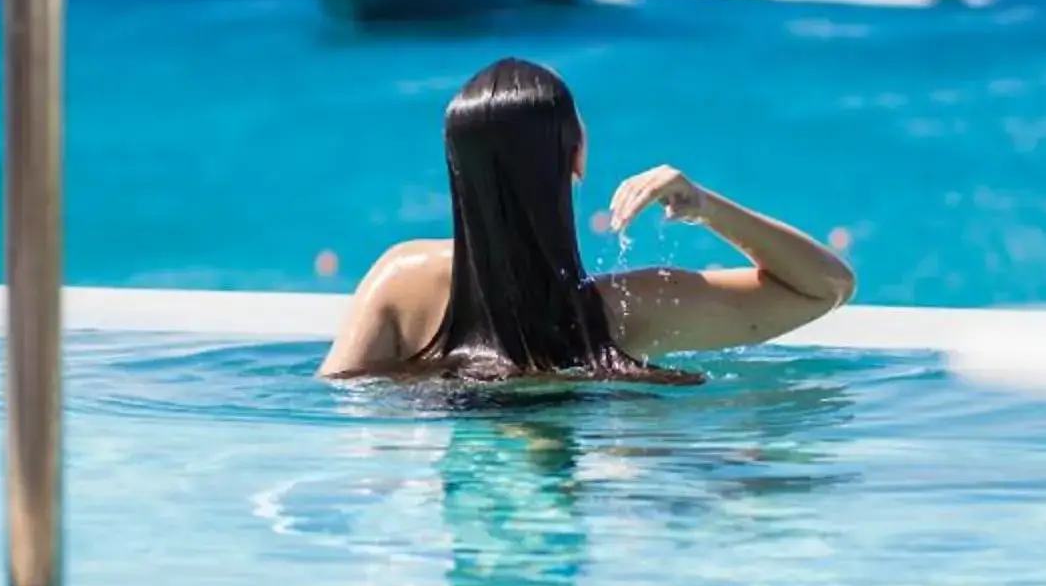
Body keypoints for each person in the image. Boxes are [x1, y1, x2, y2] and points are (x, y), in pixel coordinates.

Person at [320, 57, 856, 381]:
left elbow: (338, 407)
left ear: (457, 166)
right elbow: (826, 287)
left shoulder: (401, 278)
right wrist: (705, 207)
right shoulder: (622, 313)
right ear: (575, 160)